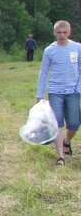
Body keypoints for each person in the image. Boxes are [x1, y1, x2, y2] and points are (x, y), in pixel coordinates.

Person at [35, 20, 81, 166]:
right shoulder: (49, 50)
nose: (62, 35)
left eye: (65, 32)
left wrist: (78, 87)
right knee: (57, 123)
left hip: (73, 91)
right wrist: (39, 94)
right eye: (59, 33)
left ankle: (66, 141)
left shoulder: (77, 48)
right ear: (55, 33)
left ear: (69, 32)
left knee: (74, 124)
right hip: (55, 91)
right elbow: (43, 73)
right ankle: (60, 156)